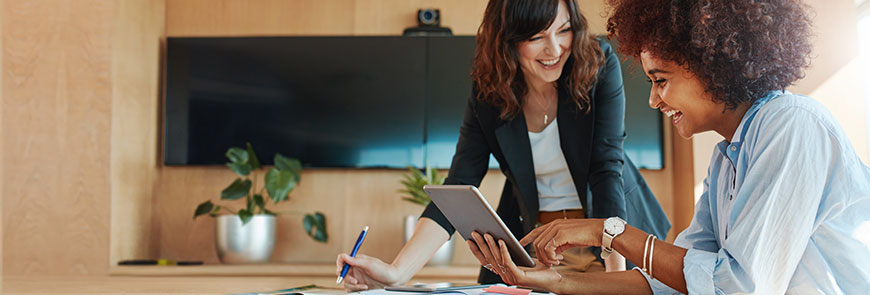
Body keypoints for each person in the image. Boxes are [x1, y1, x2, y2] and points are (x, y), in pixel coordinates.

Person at [472, 0, 870, 293]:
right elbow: (677, 281)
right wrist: (554, 281)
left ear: (713, 64)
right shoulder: (726, 159)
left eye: (660, 80)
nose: (653, 100)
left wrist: (607, 231)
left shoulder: (791, 124)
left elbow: (736, 287)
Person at [335, 0, 670, 290]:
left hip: (611, 242)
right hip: (538, 249)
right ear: (507, 40)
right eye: (537, 37)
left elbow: (605, 169)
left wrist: (617, 280)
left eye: (564, 30)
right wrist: (396, 273)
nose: (554, 49)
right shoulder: (490, 91)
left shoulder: (596, 64)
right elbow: (459, 185)